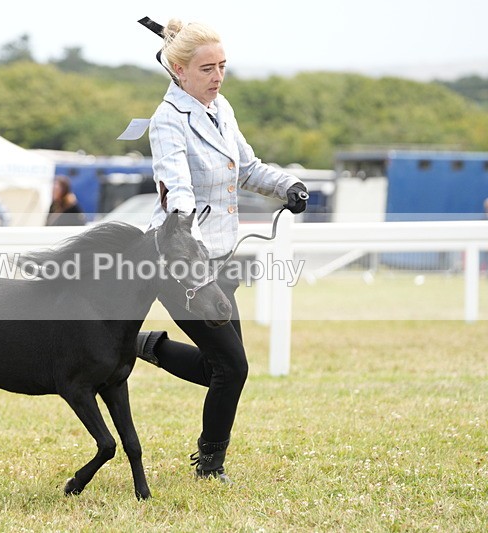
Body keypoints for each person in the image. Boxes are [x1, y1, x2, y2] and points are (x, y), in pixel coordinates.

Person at [134, 18, 308, 481]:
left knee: (222, 366)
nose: (217, 77)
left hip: (220, 258)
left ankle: (144, 345)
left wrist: (287, 184)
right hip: (179, 258)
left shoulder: (221, 108)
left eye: (222, 67)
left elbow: (246, 168)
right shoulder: (167, 120)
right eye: (207, 68)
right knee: (233, 366)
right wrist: (184, 220)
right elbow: (176, 182)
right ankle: (210, 464)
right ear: (178, 70)